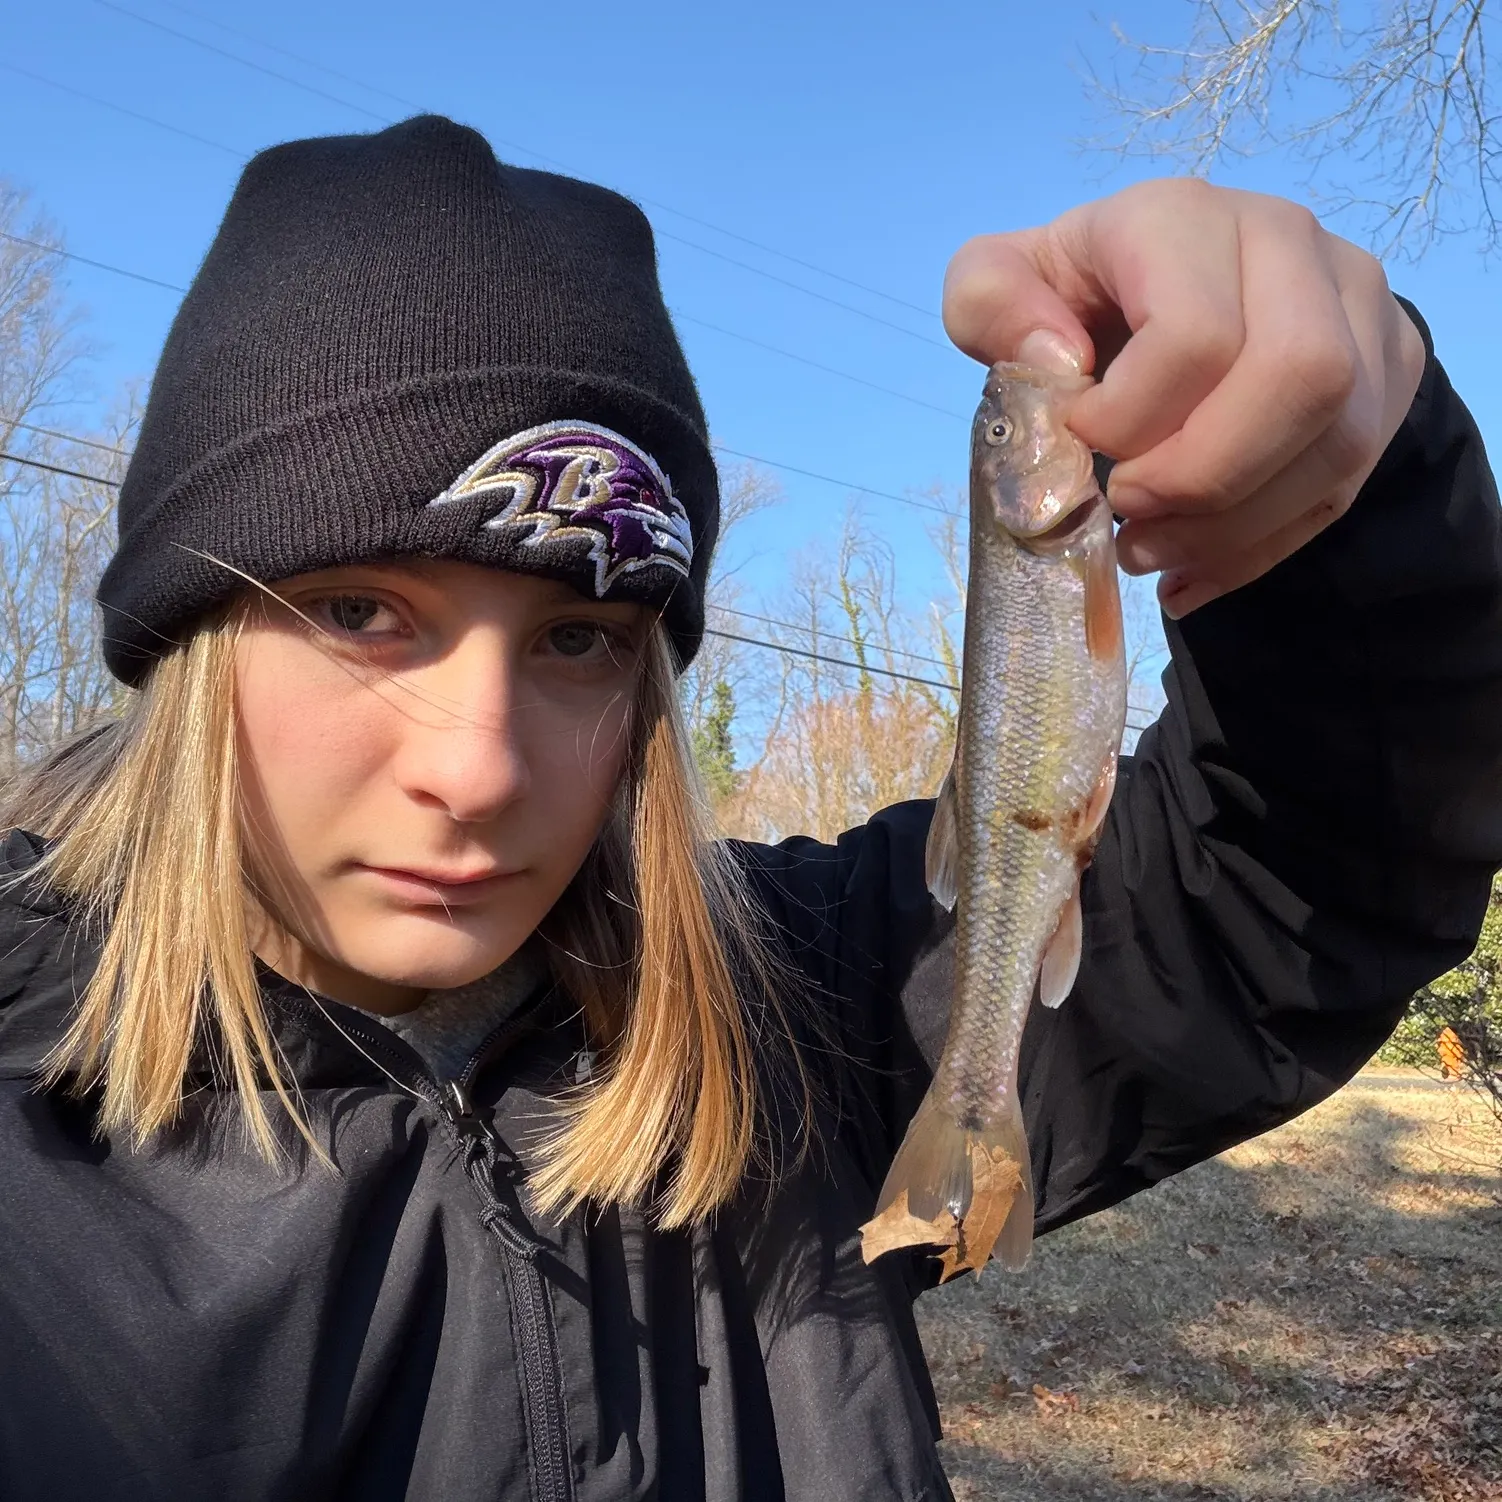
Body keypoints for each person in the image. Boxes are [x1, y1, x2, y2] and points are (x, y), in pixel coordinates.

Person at [0, 115, 1497, 1502]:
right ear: (188, 643)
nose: (478, 769)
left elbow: (1293, 884)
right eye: (357, 611)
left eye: (579, 637)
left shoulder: (790, 1012)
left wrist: (1349, 505)